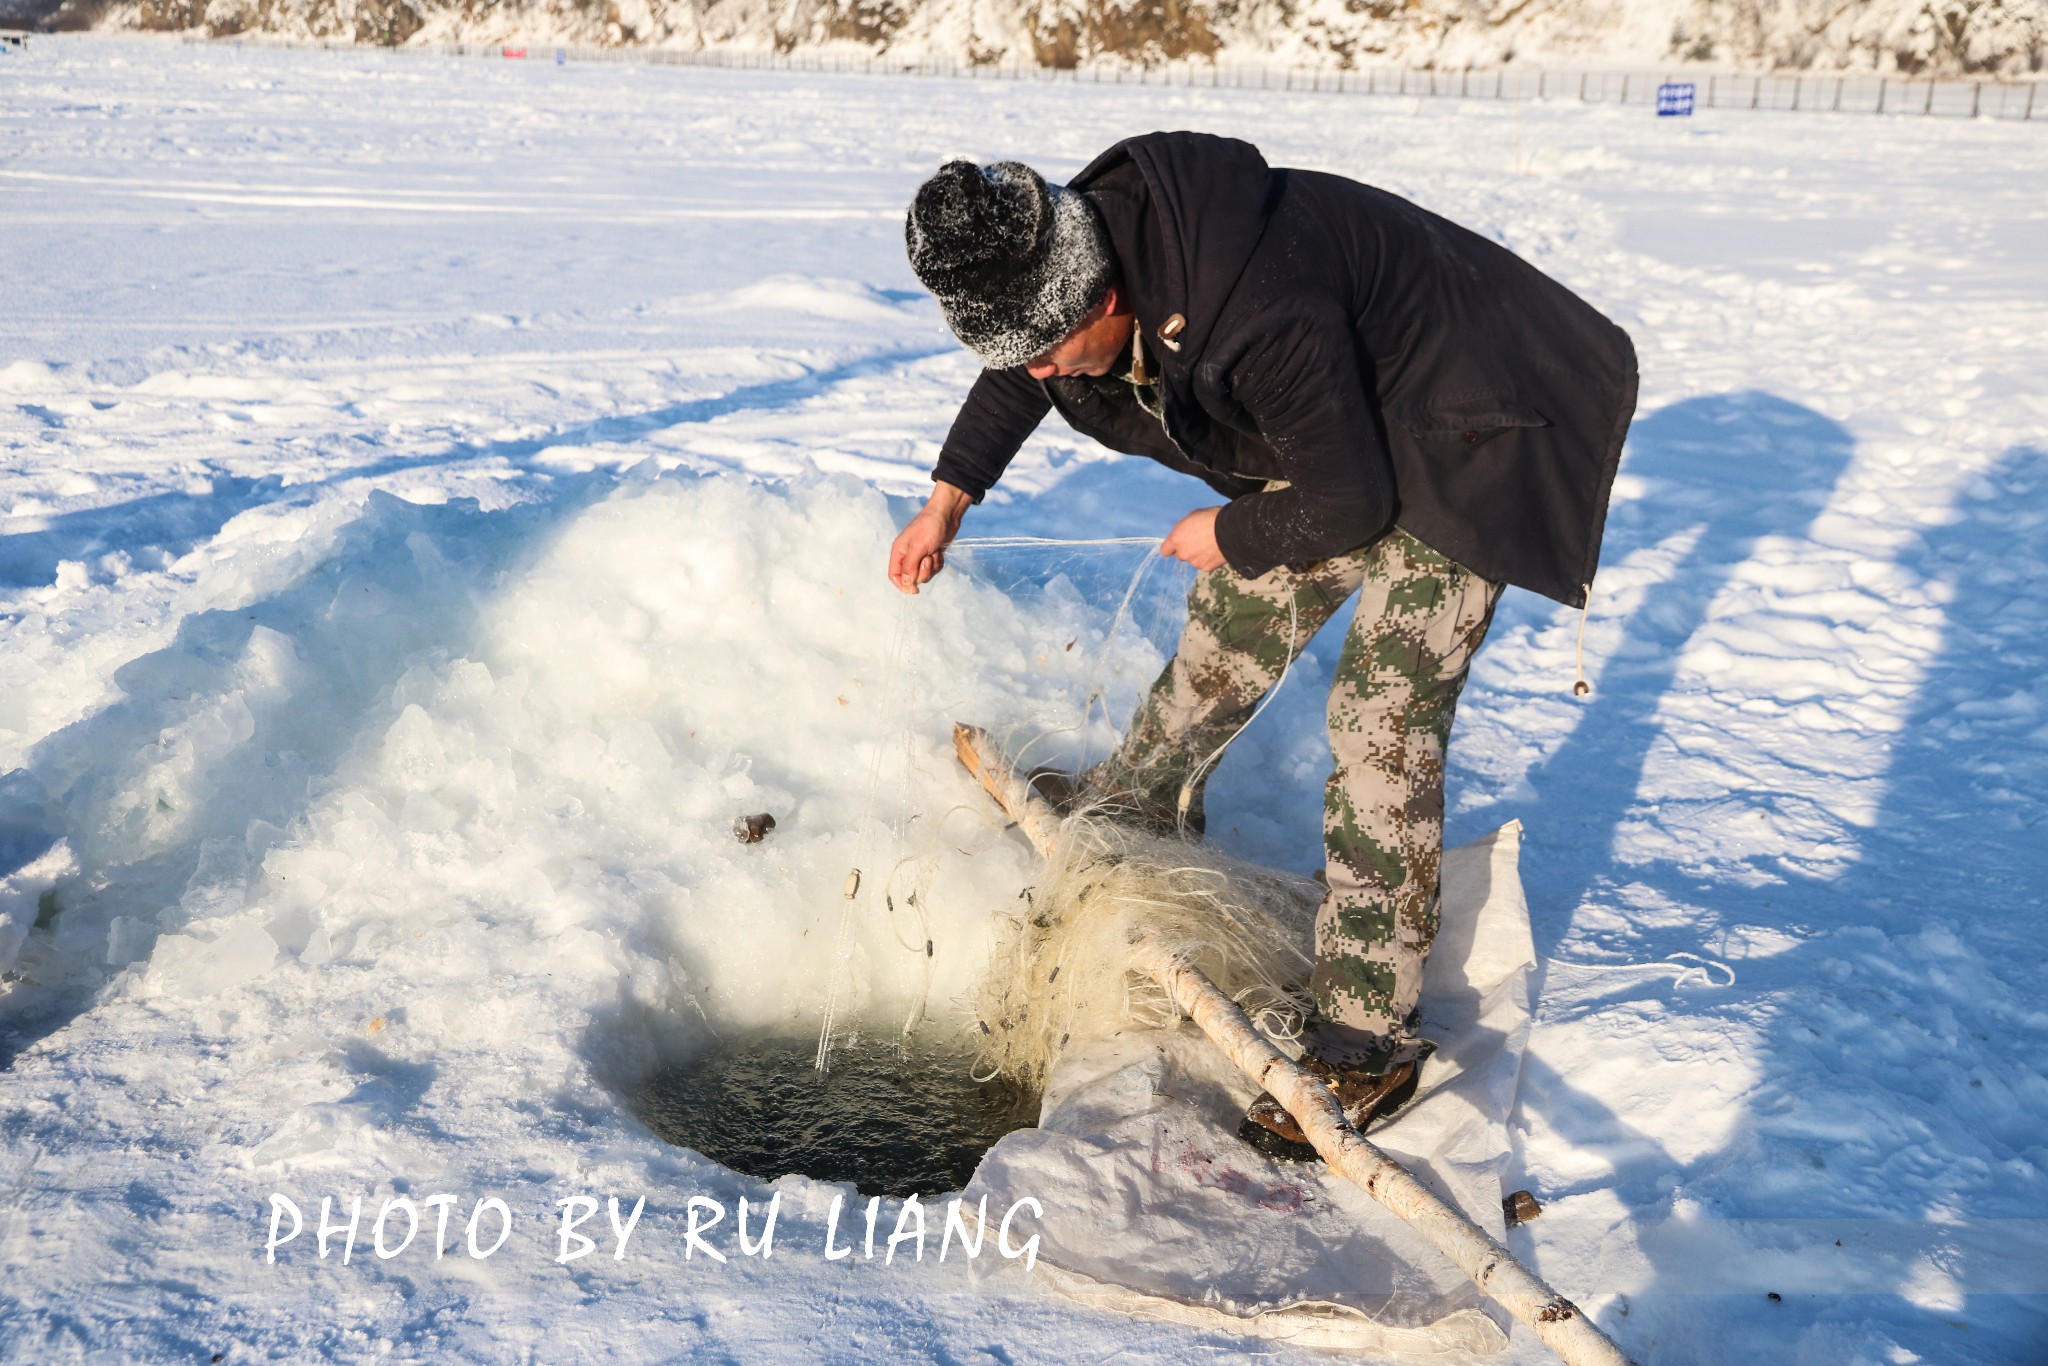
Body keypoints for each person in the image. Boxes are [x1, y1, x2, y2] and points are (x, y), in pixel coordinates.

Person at [888, 132, 1636, 1154]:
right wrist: (947, 501)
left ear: (1104, 303)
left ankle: (1365, 1040)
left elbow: (1350, 497)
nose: (1041, 371)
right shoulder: (1067, 270)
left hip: (1467, 424)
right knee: (1239, 613)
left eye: (1052, 349)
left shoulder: (1252, 307)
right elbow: (1022, 370)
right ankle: (1138, 796)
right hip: (1342, 414)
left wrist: (1232, 530)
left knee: (1380, 716)